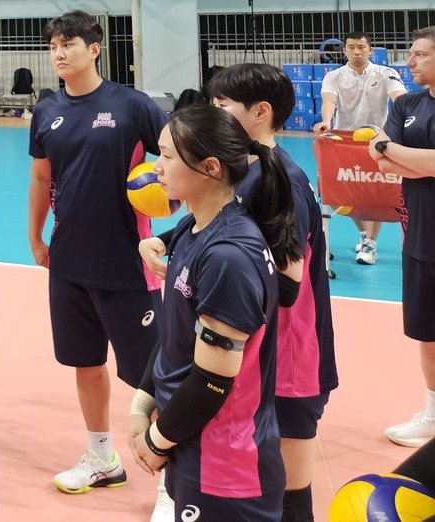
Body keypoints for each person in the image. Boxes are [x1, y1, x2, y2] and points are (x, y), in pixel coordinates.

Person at [166, 63, 334, 522]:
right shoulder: (249, 172)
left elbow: (286, 283)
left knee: (288, 492)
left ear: (260, 113)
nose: (213, 114)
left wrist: (211, 276)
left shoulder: (284, 182)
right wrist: (169, 243)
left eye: (222, 106)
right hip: (259, 353)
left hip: (290, 360)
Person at [127, 103, 301, 522]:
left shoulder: (227, 257)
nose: (156, 168)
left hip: (224, 464)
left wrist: (156, 440)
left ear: (209, 167)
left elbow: (212, 379)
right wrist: (142, 403)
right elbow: (177, 337)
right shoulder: (195, 225)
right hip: (192, 442)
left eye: (167, 156)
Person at [26, 10, 168, 494]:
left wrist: (168, 205)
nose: (59, 53)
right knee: (85, 364)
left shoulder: (132, 106)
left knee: (154, 378)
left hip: (128, 263)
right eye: (53, 46)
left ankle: (176, 484)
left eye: (68, 43)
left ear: (95, 48)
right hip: (68, 262)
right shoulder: (46, 111)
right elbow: (42, 178)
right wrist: (35, 237)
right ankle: (101, 456)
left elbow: (179, 159)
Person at [373, 26, 435, 448]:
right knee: (427, 331)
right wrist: (411, 160)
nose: (409, 62)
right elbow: (382, 162)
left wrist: (391, 152)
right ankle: (433, 413)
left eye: (419, 55)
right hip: (420, 236)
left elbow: (388, 152)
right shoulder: (407, 104)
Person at [313, 29, 405, 265]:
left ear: (370, 50)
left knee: (376, 192)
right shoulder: (333, 76)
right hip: (344, 142)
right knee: (343, 192)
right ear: (344, 50)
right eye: (351, 47)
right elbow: (329, 101)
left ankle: (371, 244)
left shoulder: (386, 73)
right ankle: (363, 234)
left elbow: (399, 98)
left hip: (378, 141)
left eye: (361, 47)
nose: (356, 51)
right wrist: (325, 121)